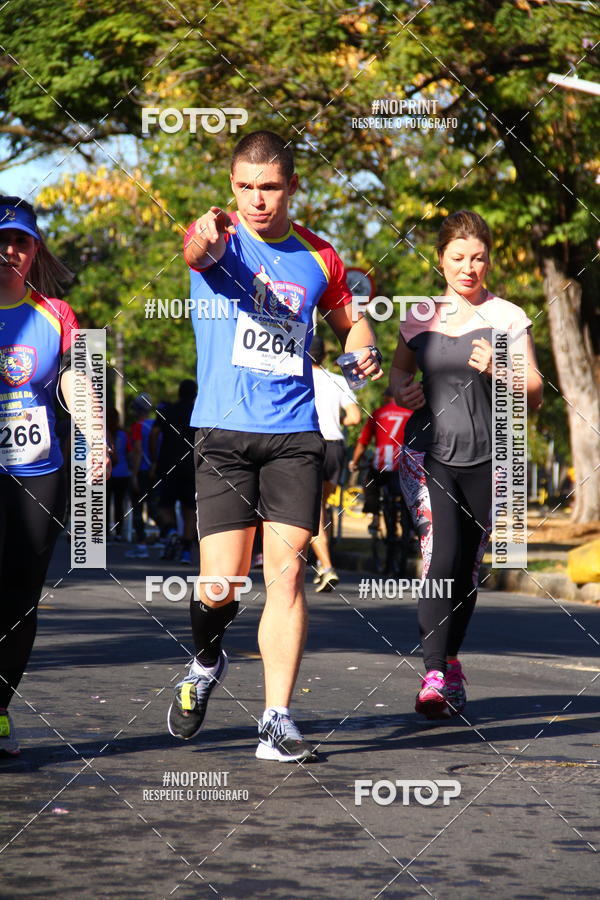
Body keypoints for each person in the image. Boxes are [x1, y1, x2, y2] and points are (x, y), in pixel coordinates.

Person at [167, 130, 383, 762]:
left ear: (292, 187)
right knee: (220, 588)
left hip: (293, 435)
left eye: (269, 187)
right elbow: (194, 250)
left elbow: (353, 317)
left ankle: (276, 720)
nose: (257, 200)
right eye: (245, 187)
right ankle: (207, 662)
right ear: (232, 186)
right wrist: (204, 236)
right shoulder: (219, 237)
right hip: (224, 435)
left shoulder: (320, 257)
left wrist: (361, 346)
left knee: (286, 576)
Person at [390, 210, 543, 719]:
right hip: (429, 454)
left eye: (477, 258)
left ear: (488, 260)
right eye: (458, 257)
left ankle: (450, 662)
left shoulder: (508, 317)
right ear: (441, 260)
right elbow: (399, 369)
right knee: (442, 554)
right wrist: (399, 388)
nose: (468, 267)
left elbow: (536, 392)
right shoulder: (420, 315)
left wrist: (501, 368)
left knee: (467, 569)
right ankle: (433, 670)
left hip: (490, 458)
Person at [0, 196, 109, 756]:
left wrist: (96, 435)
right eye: (2, 240)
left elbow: (77, 378)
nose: (10, 250)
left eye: (20, 241)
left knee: (20, 600)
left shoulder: (58, 314)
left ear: (34, 249)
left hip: (39, 473)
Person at [310, 334, 361, 592]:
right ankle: (322, 562)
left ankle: (327, 565)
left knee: (312, 509)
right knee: (323, 505)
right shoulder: (339, 380)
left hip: (310, 444)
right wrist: (336, 421)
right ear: (326, 356)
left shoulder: (298, 379)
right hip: (336, 447)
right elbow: (354, 417)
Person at [349, 387, 413, 545]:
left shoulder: (377, 413)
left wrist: (355, 462)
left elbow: (363, 443)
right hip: (403, 465)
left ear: (386, 397)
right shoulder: (411, 413)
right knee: (410, 495)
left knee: (369, 484)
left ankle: (375, 517)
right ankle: (411, 530)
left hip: (382, 465)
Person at [150, 379, 198, 565]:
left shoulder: (166, 410)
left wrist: (154, 458)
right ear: (195, 394)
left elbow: (154, 434)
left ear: (179, 392)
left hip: (167, 463)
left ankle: (170, 532)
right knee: (190, 510)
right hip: (191, 465)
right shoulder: (197, 412)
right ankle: (186, 550)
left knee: (164, 506)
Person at [126, 393, 155, 558]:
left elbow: (137, 451)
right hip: (154, 470)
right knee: (153, 506)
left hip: (141, 470)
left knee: (137, 507)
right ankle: (169, 534)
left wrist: (134, 475)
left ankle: (141, 545)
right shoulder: (154, 425)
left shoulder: (138, 426)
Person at [107, 407, 130, 541]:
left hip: (109, 473)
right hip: (122, 472)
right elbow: (128, 452)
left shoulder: (105, 434)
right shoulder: (123, 434)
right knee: (119, 504)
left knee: (105, 503)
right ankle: (119, 532)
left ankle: (106, 532)